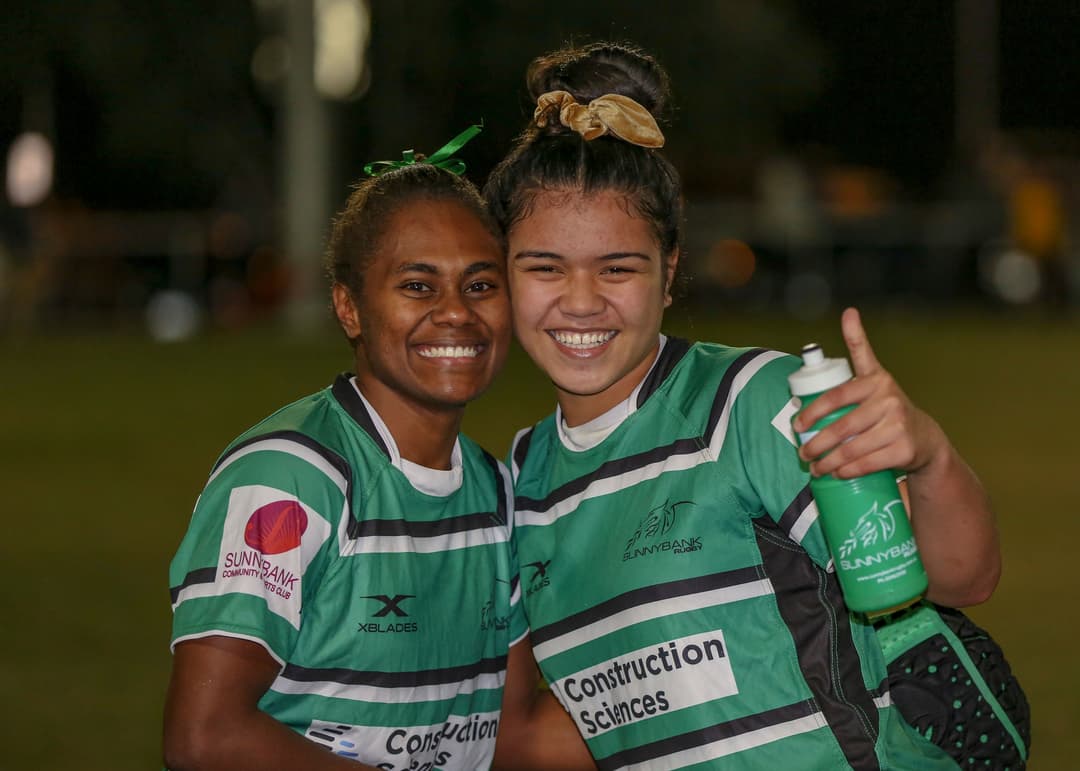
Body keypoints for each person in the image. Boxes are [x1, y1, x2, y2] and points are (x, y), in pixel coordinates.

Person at [484, 42, 1027, 769]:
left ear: (669, 272)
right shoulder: (520, 484)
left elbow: (964, 575)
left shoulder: (749, 405)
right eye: (545, 268)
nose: (581, 301)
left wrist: (927, 454)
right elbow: (586, 721)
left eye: (618, 268)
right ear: (504, 278)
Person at [163, 140, 591, 770]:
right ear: (349, 308)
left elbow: (516, 740)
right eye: (418, 285)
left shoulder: (497, 493)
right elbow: (206, 738)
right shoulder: (289, 478)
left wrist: (702, 676)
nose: (455, 312)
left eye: (480, 284)